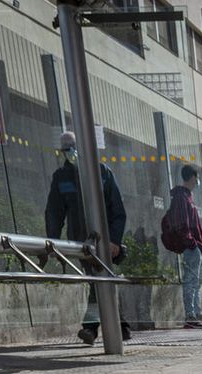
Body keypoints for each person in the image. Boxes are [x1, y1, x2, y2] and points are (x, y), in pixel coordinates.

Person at [45, 131, 129, 344]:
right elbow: (54, 212)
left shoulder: (102, 172)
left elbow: (118, 210)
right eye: (65, 149)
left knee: (100, 280)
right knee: (97, 279)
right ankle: (116, 326)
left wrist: (115, 240)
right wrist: (53, 242)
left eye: (72, 147)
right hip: (81, 241)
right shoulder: (61, 177)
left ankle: (101, 327)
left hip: (105, 241)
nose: (70, 152)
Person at [164, 164, 202, 328]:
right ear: (192, 178)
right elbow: (182, 223)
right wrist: (192, 244)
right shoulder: (181, 197)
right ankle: (191, 316)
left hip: (196, 247)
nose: (197, 182)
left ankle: (197, 314)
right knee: (191, 282)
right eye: (197, 178)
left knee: (196, 283)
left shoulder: (187, 197)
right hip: (191, 247)